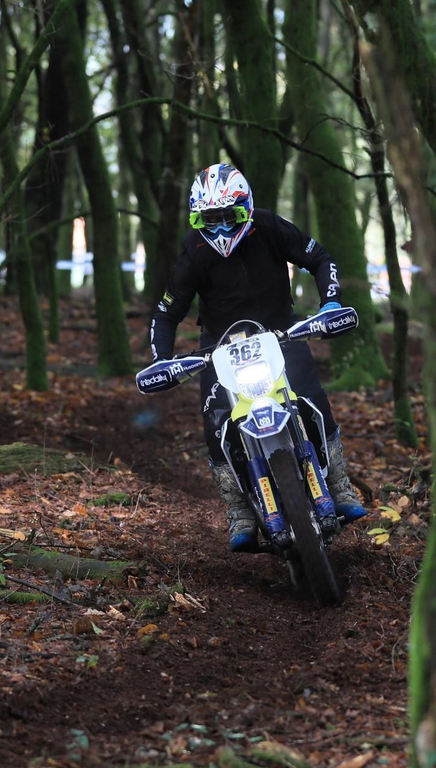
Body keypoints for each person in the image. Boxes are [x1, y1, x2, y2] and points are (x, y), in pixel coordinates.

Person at [149, 162, 368, 550]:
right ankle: (240, 509)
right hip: (219, 347)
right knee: (215, 422)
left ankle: (339, 485)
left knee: (313, 398)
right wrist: (161, 359)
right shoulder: (194, 250)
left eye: (227, 217)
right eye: (208, 219)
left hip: (281, 333)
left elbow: (320, 258)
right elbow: (167, 312)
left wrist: (330, 303)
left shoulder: (268, 227)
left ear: (245, 208)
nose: (218, 228)